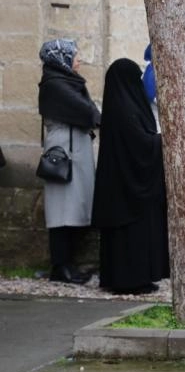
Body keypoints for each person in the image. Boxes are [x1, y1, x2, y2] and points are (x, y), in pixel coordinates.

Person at [92, 59, 169, 294]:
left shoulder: (122, 105)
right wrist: (164, 140)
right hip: (129, 187)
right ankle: (129, 280)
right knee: (132, 234)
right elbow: (139, 143)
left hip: (123, 186)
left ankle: (136, 277)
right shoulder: (125, 110)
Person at [37, 39, 101, 284]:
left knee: (75, 209)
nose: (79, 59)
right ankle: (60, 267)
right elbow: (86, 112)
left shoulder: (66, 81)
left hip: (75, 148)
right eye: (74, 55)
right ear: (61, 58)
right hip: (65, 151)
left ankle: (67, 265)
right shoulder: (55, 84)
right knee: (62, 211)